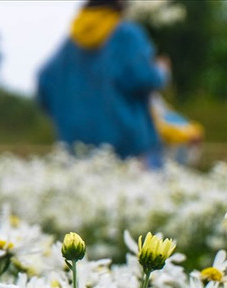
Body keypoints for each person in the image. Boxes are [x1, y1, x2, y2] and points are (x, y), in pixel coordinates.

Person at [38, 0, 168, 167]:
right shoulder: (126, 35)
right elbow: (144, 78)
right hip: (130, 148)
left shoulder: (70, 44)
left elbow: (45, 86)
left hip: (76, 148)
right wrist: (161, 71)